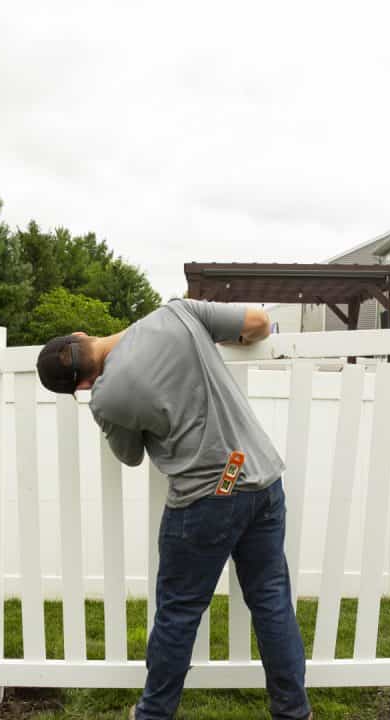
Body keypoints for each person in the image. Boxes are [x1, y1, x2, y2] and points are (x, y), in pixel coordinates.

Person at [35, 299, 311, 720]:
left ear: (82, 385)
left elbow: (130, 455)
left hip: (207, 500)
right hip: (264, 480)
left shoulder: (107, 398)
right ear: (80, 335)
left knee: (179, 613)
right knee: (271, 599)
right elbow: (258, 322)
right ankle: (294, 712)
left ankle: (154, 714)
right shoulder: (178, 313)